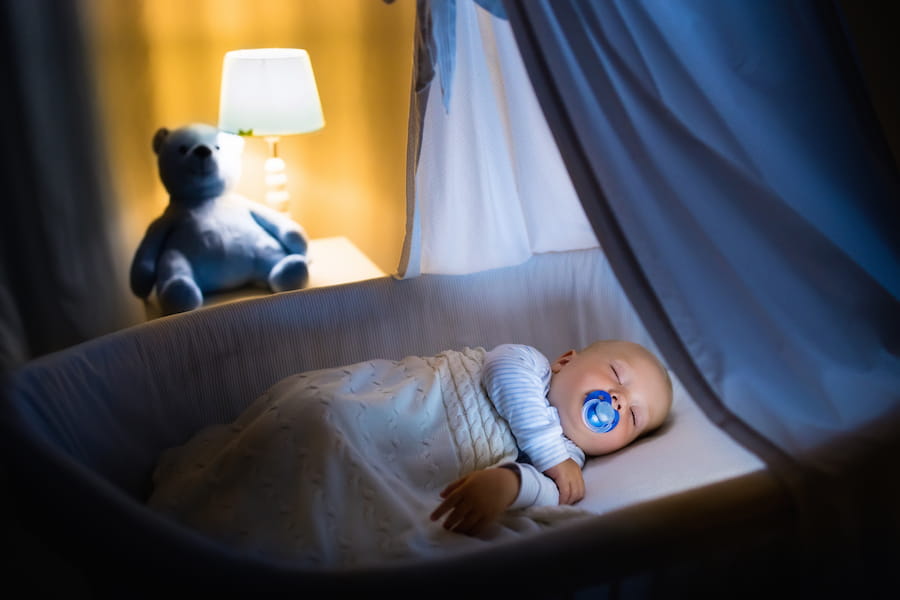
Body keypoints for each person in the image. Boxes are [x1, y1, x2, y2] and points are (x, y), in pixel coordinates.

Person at [431, 339, 673, 536]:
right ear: (565, 361)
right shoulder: (533, 367)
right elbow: (501, 368)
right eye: (616, 374)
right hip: (424, 398)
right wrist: (551, 455)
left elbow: (552, 493)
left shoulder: (569, 459)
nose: (620, 400)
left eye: (633, 415)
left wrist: (508, 484)